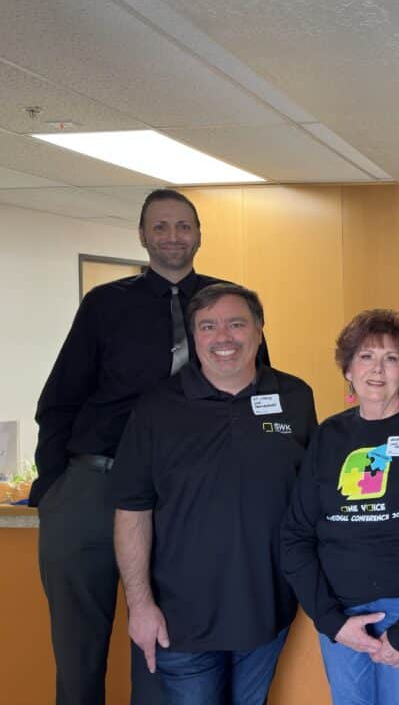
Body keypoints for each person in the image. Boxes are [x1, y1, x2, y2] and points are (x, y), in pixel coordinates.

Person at [31, 188, 268, 705]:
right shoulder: (104, 305)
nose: (172, 236)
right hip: (94, 487)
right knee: (79, 650)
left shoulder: (228, 307)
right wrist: (54, 490)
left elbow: (254, 391)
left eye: (183, 225)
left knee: (167, 642)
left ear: (200, 233)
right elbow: (59, 401)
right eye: (159, 226)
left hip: (179, 498)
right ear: (142, 235)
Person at [111, 283, 315, 704]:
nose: (223, 338)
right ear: (193, 337)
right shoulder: (156, 408)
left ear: (259, 331)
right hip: (182, 620)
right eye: (208, 326)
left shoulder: (295, 398)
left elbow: (312, 501)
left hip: (267, 614)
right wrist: (140, 606)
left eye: (237, 324)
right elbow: (132, 511)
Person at [280, 309, 399, 705]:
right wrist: (333, 623)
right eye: (365, 356)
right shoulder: (329, 436)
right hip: (342, 609)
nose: (377, 369)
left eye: (391, 358)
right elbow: (295, 536)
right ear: (348, 368)